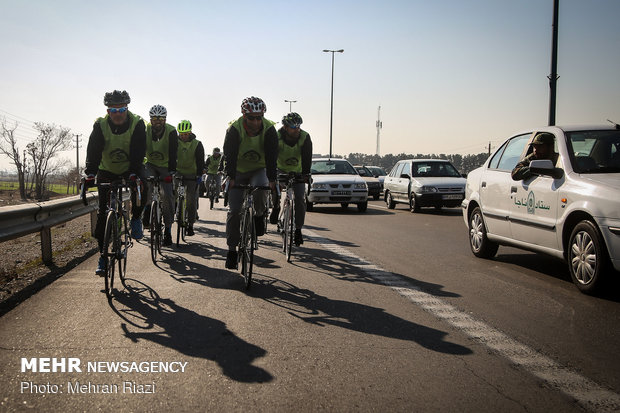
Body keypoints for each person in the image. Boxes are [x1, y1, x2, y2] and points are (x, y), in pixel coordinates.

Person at [84, 90, 146, 276]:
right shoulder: (100, 125)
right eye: (113, 109)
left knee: (144, 185)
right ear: (107, 111)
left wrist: (135, 172)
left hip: (130, 167)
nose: (117, 113)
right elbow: (93, 151)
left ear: (127, 108)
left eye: (121, 109)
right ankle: (103, 256)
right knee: (103, 215)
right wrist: (90, 173)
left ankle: (136, 219)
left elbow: (138, 149)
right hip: (107, 169)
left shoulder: (137, 123)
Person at [223, 96, 278, 269]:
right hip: (238, 170)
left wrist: (272, 180)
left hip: (258, 169)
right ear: (244, 116)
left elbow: (271, 157)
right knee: (234, 211)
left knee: (261, 189)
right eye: (251, 118)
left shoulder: (269, 129)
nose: (255, 122)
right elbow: (229, 155)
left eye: (258, 118)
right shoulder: (234, 128)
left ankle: (259, 216)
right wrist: (230, 177)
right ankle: (232, 250)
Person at [269, 112, 313, 246]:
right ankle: (276, 207)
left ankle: (298, 230)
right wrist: (273, 175)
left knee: (300, 198)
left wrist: (306, 175)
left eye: (299, 126)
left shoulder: (305, 137)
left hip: (297, 171)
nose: (297, 129)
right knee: (276, 189)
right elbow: (272, 156)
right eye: (294, 126)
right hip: (280, 169)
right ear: (285, 127)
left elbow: (307, 158)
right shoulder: (277, 137)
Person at [143, 104, 178, 246]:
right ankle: (146, 210)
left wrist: (171, 171)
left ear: (165, 119)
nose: (158, 121)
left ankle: (168, 230)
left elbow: (173, 152)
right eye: (155, 118)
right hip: (150, 164)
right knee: (146, 187)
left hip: (165, 166)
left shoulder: (171, 131)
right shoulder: (145, 130)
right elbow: (140, 148)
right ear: (151, 120)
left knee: (168, 196)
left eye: (161, 119)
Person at [175, 120, 204, 236]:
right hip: (178, 173)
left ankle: (190, 224)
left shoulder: (197, 144)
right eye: (181, 134)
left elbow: (200, 160)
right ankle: (177, 214)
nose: (183, 136)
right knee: (175, 195)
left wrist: (199, 175)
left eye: (186, 134)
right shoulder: (175, 142)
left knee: (191, 200)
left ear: (190, 132)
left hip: (192, 174)